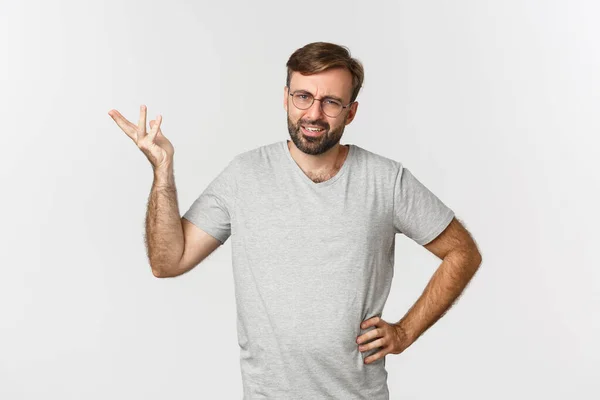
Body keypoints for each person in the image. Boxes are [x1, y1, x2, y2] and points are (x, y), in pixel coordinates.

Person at [108, 41, 482, 400]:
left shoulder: (386, 180)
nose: (314, 114)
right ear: (286, 97)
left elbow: (462, 252)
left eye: (331, 102)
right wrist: (162, 170)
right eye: (303, 97)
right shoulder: (245, 175)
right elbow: (168, 261)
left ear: (351, 112)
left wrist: (405, 331)